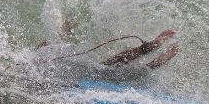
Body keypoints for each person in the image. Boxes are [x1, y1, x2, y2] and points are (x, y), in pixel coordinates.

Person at [36, 20, 179, 69]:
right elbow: (45, 47)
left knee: (107, 68)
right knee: (105, 66)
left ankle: (153, 55)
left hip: (64, 69)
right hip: (68, 66)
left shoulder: (33, 61)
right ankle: (149, 50)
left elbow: (42, 49)